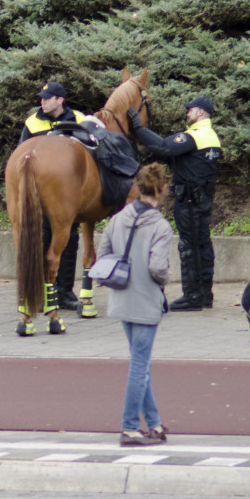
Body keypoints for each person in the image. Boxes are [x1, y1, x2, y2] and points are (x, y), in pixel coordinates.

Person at [97, 163, 174, 447]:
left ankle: (153, 423)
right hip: (145, 300)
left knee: (139, 364)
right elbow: (157, 267)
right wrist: (166, 276)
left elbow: (103, 252)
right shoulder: (161, 227)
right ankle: (130, 427)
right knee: (139, 366)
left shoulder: (118, 218)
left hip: (121, 298)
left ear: (138, 188)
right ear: (163, 189)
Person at [128, 94, 223, 311]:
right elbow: (175, 157)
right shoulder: (211, 136)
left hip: (189, 200)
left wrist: (138, 128)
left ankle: (192, 296)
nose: (187, 113)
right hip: (203, 198)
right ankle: (204, 294)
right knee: (203, 244)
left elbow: (164, 146)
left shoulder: (196, 135)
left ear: (200, 113)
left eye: (190, 110)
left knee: (189, 246)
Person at [19, 81, 89, 312]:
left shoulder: (79, 120)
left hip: (71, 196)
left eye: (47, 98)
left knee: (69, 241)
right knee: (43, 238)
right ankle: (41, 291)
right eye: (41, 98)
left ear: (60, 100)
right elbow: (21, 156)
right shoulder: (32, 123)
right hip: (42, 194)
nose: (42, 101)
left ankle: (65, 292)